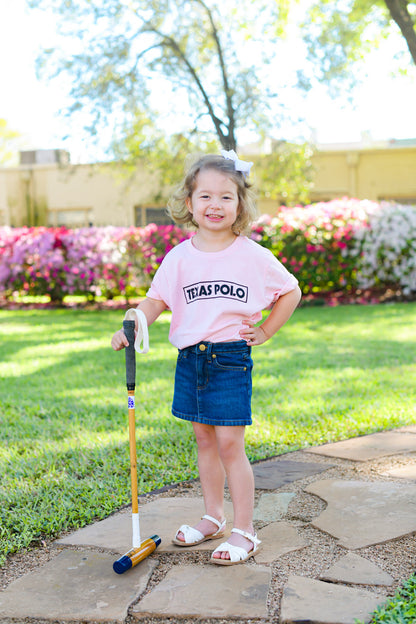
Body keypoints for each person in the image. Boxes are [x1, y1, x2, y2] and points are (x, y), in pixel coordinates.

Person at [111, 150, 301, 565]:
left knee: (231, 444)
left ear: (241, 204)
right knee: (204, 440)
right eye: (205, 197)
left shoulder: (252, 255)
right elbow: (155, 301)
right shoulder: (179, 257)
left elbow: (291, 291)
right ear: (189, 203)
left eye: (226, 197)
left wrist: (266, 329)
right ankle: (212, 516)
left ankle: (246, 532)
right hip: (190, 360)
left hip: (230, 358)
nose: (215, 205)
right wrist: (132, 324)